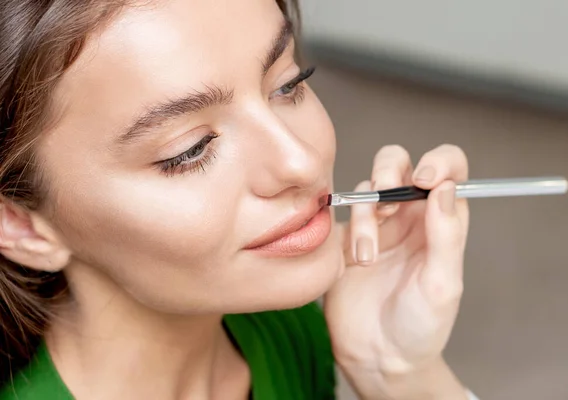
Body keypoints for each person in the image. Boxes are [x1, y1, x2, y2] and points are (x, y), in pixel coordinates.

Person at [0, 0, 475, 398]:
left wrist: (397, 372)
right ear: (20, 223)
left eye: (288, 84)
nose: (302, 163)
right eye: (190, 150)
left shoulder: (286, 326)